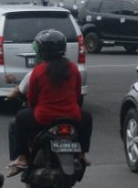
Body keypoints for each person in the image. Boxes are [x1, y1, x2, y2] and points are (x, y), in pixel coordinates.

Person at [7, 29, 92, 177]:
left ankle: (22, 157)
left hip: (44, 117)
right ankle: (81, 153)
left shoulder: (38, 71)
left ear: (42, 50)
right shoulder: (73, 68)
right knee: (87, 118)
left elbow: (32, 100)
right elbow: (77, 95)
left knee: (20, 118)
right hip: (72, 116)